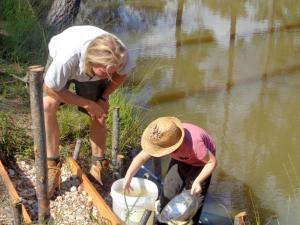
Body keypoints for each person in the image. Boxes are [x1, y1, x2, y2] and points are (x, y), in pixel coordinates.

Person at [43, 25, 133, 198]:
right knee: (47, 106)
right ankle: (52, 164)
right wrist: (86, 103)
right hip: (68, 60)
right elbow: (50, 88)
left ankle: (98, 164)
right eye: (105, 72)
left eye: (112, 71)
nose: (109, 77)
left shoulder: (120, 55)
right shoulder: (66, 58)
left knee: (99, 113)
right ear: (90, 62)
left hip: (90, 70)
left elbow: (122, 74)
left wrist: (103, 98)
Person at [123, 117, 217, 225]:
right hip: (181, 158)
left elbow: (212, 162)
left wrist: (198, 181)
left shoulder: (195, 144)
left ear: (173, 146)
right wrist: (128, 176)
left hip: (202, 164)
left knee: (191, 201)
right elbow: (141, 158)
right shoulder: (165, 138)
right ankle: (161, 220)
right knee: (168, 190)